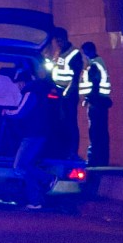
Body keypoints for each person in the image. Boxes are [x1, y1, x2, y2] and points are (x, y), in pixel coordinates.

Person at [3, 64, 59, 209]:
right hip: (36, 134)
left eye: (17, 84)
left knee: (20, 166)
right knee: (26, 165)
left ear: (22, 82)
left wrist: (6, 112)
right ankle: (35, 201)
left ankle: (48, 179)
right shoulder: (38, 93)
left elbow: (19, 113)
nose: (17, 87)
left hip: (32, 135)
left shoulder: (30, 94)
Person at [43, 27, 84, 158]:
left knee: (69, 122)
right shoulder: (59, 52)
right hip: (58, 91)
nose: (58, 43)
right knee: (58, 122)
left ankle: (72, 151)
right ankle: (61, 149)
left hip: (68, 94)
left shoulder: (74, 54)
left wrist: (66, 93)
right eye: (56, 41)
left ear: (66, 39)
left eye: (60, 40)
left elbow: (75, 77)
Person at [79, 41, 112, 166]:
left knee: (96, 131)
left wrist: (90, 100)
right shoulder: (98, 63)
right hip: (101, 102)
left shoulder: (94, 66)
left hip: (96, 103)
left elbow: (94, 86)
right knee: (101, 131)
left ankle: (95, 159)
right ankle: (102, 159)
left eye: (85, 53)